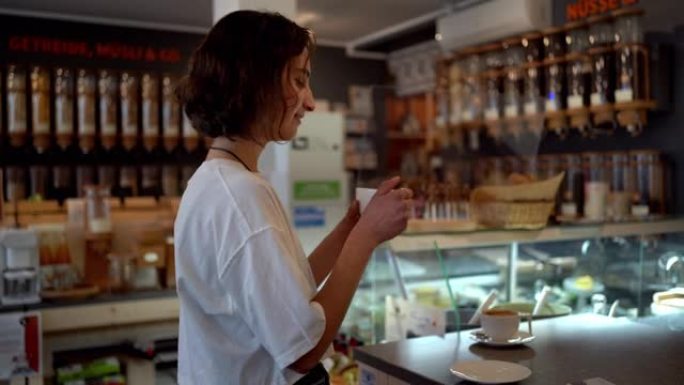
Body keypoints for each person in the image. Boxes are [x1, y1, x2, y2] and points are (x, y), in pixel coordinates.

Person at [174, 10, 413, 385]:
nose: (312, 102)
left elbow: (285, 291)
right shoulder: (241, 195)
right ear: (256, 82)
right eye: (299, 81)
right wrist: (366, 238)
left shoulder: (217, 180)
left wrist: (350, 228)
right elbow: (303, 350)